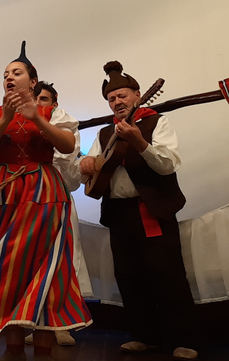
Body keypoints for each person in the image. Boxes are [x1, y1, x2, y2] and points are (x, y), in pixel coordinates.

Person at [0, 42, 91, 361]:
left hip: (44, 193)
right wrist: (6, 118)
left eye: (17, 72)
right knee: (5, 265)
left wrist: (37, 117)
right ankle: (12, 348)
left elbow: (66, 145)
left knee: (49, 265)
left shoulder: (53, 113)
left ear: (33, 82)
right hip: (1, 195)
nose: (9, 77)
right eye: (6, 74)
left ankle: (44, 348)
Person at [79, 61, 197, 360]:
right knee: (128, 276)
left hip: (153, 210)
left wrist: (140, 141)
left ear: (138, 95)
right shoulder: (105, 133)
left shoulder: (156, 122)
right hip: (119, 213)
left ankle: (184, 340)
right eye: (112, 98)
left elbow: (168, 164)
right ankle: (144, 336)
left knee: (167, 274)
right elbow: (91, 169)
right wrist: (86, 165)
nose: (117, 101)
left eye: (123, 95)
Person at [23, 81, 92, 347]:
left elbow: (70, 174)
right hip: (28, 203)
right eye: (35, 98)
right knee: (33, 262)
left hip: (58, 199)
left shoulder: (63, 125)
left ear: (54, 103)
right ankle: (36, 322)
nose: (39, 102)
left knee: (63, 262)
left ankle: (61, 323)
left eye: (44, 98)